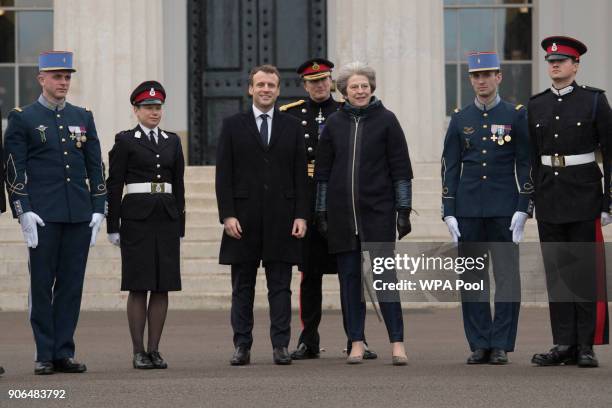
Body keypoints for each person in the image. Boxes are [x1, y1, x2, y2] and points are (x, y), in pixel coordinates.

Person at [3, 51, 106, 375]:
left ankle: (64, 351)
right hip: (43, 215)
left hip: (77, 213)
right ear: (41, 79)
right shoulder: (23, 117)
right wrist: (23, 211)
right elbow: (13, 168)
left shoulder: (82, 116)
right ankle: (44, 353)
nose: (63, 82)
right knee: (42, 286)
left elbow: (95, 165)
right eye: (57, 77)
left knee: (71, 286)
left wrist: (98, 208)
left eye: (67, 77)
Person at [314, 61, 412, 365]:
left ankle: (397, 342)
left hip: (378, 212)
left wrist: (403, 209)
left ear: (372, 89)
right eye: (354, 87)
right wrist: (321, 210)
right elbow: (323, 173)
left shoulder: (387, 120)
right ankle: (356, 341)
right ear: (344, 91)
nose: (360, 91)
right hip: (343, 216)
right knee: (349, 281)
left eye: (365, 86)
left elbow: (401, 169)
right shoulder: (333, 124)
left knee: (385, 279)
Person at [280, 58, 376, 361]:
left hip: (341, 201)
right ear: (304, 85)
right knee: (310, 275)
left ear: (332, 82)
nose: (319, 86)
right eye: (312, 82)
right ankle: (308, 339)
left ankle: (355, 339)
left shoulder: (346, 112)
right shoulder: (292, 115)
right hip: (307, 204)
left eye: (323, 80)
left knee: (350, 274)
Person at [441, 51, 532, 365]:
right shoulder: (460, 117)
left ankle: (502, 343)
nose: (481, 81)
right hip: (468, 209)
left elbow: (525, 163)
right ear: (470, 80)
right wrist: (448, 210)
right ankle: (479, 342)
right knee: (472, 279)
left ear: (499, 77)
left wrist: (524, 206)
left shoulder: (515, 114)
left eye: (487, 75)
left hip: (504, 208)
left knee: (507, 277)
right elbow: (449, 166)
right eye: (476, 76)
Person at [215, 64, 308, 366]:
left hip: (283, 218)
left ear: (279, 90)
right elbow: (224, 175)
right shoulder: (232, 125)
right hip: (242, 219)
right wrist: (227, 215)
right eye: (260, 84)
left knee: (280, 287)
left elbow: (300, 175)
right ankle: (242, 345)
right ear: (250, 89)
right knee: (242, 287)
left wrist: (301, 215)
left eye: (271, 85)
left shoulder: (292, 126)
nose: (266, 89)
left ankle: (281, 345)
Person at [528, 36, 611, 368]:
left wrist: (608, 202)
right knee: (558, 273)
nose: (555, 65)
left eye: (562, 61)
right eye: (551, 61)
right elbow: (532, 157)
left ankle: (586, 344)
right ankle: (563, 341)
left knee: (584, 272)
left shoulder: (594, 101)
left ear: (576, 66)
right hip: (550, 195)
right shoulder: (536, 104)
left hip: (584, 195)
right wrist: (531, 198)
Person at [106, 81, 185, 369]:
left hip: (165, 217)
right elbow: (114, 184)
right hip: (136, 219)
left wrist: (181, 226)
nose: (154, 112)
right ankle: (138, 350)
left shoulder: (172, 141)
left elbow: (178, 184)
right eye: (148, 107)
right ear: (136, 110)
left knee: (163, 285)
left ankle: (155, 349)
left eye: (158, 107)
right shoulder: (125, 140)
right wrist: (112, 224)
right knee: (139, 285)